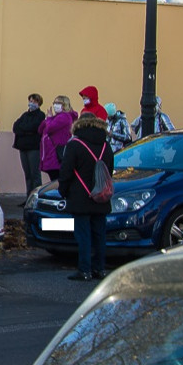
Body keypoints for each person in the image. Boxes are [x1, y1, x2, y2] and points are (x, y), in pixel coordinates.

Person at [58, 113, 114, 281]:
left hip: (80, 197)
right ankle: (100, 268)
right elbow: (109, 170)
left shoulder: (75, 145)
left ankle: (84, 270)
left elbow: (66, 171)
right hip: (101, 196)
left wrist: (64, 190)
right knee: (99, 235)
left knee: (83, 235)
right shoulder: (106, 145)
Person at [12, 93, 46, 196]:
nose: (31, 103)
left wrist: (24, 129)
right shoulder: (25, 115)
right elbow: (16, 126)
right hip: (23, 147)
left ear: (39, 103)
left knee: (34, 174)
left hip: (34, 148)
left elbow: (33, 127)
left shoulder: (40, 115)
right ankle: (28, 197)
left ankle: (36, 196)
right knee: (27, 174)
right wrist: (25, 130)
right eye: (30, 101)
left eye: (34, 101)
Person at [39, 95, 78, 181]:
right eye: (55, 103)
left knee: (57, 180)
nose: (55, 105)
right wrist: (48, 118)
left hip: (56, 155)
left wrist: (49, 119)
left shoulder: (64, 117)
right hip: (50, 155)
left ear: (64, 105)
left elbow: (49, 128)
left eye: (58, 103)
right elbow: (40, 129)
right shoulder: (55, 117)